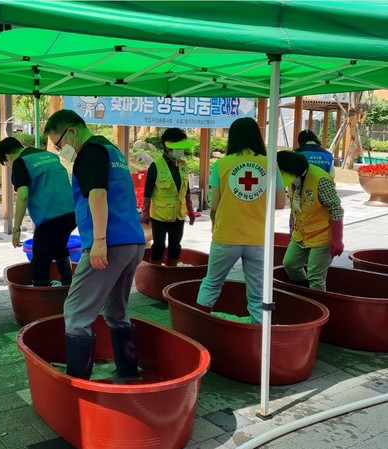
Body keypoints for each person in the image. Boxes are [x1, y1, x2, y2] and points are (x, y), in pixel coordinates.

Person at [44, 109, 145, 381]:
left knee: (76, 311)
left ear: (72, 131)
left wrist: (99, 241)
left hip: (109, 243)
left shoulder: (89, 152)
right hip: (132, 241)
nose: (61, 150)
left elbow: (97, 194)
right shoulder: (112, 151)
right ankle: (128, 373)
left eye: (59, 144)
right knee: (116, 311)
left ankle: (77, 383)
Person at [195, 117, 286, 324]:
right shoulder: (270, 164)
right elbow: (280, 203)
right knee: (258, 293)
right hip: (258, 239)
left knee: (211, 284)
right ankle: (258, 334)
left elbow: (214, 204)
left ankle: (198, 326)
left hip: (226, 236)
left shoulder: (222, 164)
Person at [0, 137, 76, 286]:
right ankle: (68, 285)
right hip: (71, 213)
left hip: (50, 217)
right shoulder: (49, 155)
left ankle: (41, 292)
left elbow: (23, 196)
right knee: (59, 248)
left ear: (7, 156)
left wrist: (16, 228)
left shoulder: (21, 162)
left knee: (40, 260)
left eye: (7, 164)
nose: (10, 166)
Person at [277, 150, 344, 290]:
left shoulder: (321, 179)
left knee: (315, 275)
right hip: (301, 234)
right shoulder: (292, 180)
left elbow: (336, 210)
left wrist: (337, 239)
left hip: (322, 236)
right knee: (290, 264)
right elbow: (295, 206)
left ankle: (317, 301)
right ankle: (304, 291)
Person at [139, 128, 197, 266]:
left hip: (178, 215)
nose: (181, 149)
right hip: (160, 214)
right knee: (159, 245)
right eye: (178, 145)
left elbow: (186, 190)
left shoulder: (183, 165)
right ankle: (155, 271)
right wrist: (145, 212)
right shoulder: (156, 165)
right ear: (167, 145)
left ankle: (171, 270)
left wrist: (190, 210)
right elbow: (147, 193)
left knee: (175, 246)